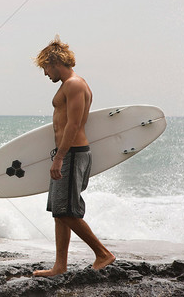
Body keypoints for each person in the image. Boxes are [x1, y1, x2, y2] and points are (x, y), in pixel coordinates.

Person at [32, 35, 115, 277]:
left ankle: (102, 254)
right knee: (60, 212)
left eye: (45, 68)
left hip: (72, 154)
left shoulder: (75, 85)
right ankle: (60, 266)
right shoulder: (68, 85)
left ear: (54, 62)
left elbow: (74, 124)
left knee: (67, 211)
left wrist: (59, 157)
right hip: (68, 153)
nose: (46, 74)